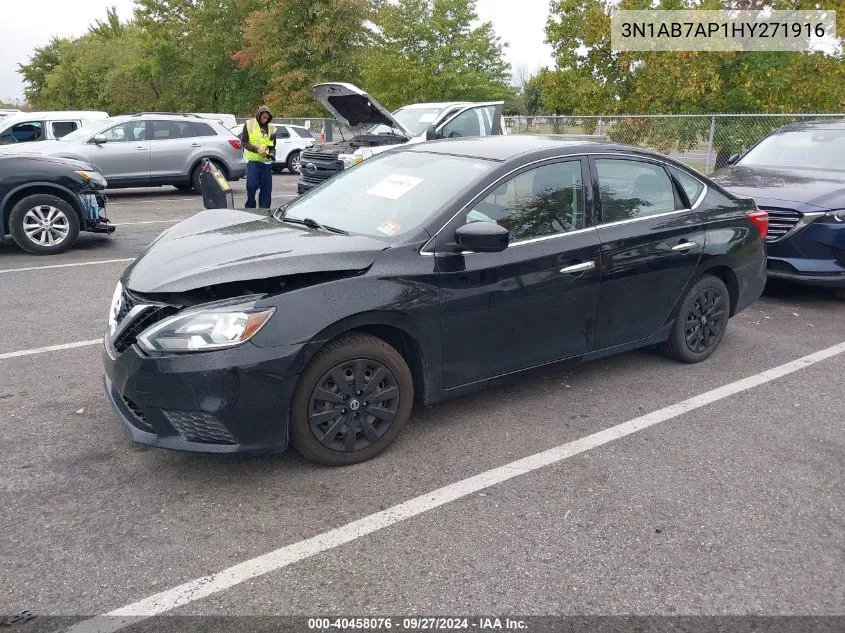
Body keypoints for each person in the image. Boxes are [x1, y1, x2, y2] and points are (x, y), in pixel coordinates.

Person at [240, 105, 277, 210]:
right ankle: (250, 208)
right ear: (259, 115)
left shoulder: (272, 129)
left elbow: (272, 147)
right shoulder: (249, 124)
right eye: (263, 117)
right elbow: (244, 142)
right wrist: (256, 149)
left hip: (266, 164)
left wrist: (272, 154)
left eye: (267, 118)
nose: (265, 120)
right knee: (251, 186)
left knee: (266, 190)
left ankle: (264, 211)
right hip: (253, 163)